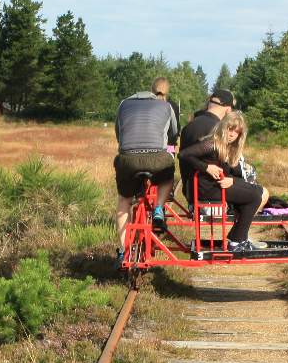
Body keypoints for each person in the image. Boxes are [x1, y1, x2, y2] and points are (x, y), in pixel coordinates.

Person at [178, 110, 269, 253]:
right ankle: (238, 241)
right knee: (254, 197)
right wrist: (206, 167)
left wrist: (231, 180)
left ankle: (236, 236)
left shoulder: (226, 147)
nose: (232, 134)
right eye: (230, 129)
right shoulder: (212, 143)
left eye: (237, 132)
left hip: (217, 185)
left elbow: (229, 173)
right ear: (223, 127)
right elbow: (183, 154)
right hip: (207, 188)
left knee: (257, 190)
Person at [113, 78, 179, 261]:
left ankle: (123, 250)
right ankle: (158, 209)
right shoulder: (166, 106)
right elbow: (173, 133)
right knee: (167, 176)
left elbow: (119, 133)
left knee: (124, 200)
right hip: (157, 158)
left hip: (127, 159)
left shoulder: (123, 104)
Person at [178, 88, 235, 202]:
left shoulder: (189, 126)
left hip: (190, 190)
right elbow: (226, 166)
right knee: (258, 194)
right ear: (228, 110)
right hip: (212, 190)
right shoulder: (219, 129)